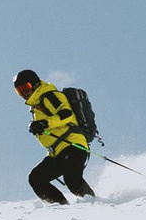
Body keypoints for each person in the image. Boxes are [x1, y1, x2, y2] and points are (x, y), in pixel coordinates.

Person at [14, 69, 96, 204]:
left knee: (73, 181)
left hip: (72, 145)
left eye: (25, 87)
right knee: (36, 178)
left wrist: (44, 123)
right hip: (57, 152)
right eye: (19, 91)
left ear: (34, 84)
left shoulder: (49, 96)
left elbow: (66, 114)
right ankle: (60, 209)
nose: (23, 93)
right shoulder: (37, 105)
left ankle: (95, 204)